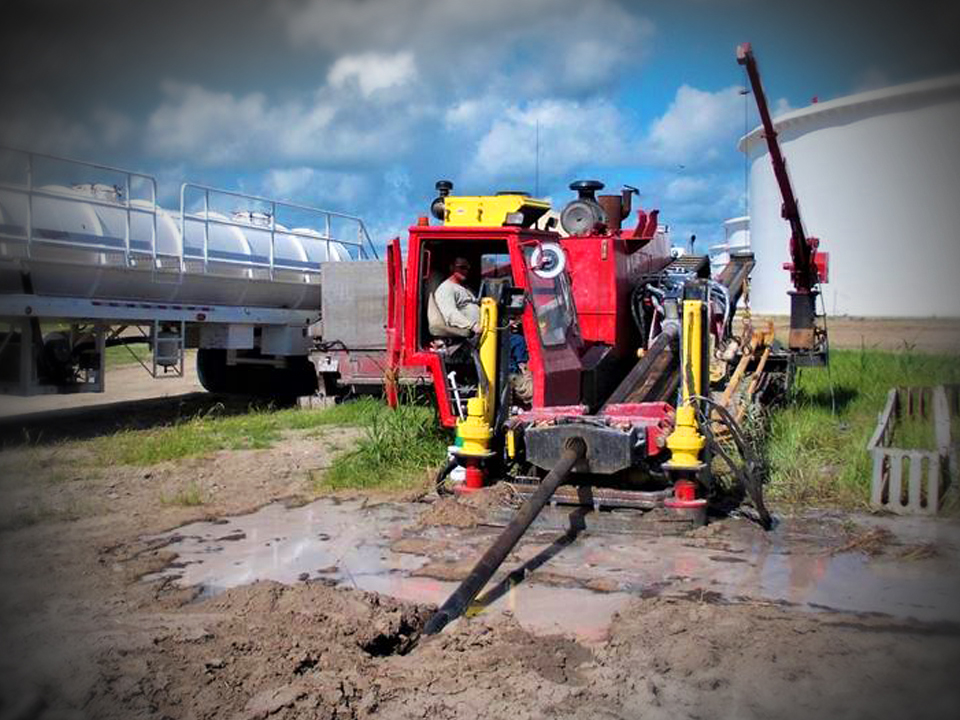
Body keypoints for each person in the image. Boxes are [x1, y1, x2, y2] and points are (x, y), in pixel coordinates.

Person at [428, 257, 481, 337]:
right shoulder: (446, 288)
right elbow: (451, 314)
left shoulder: (464, 287)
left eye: (467, 268)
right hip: (470, 336)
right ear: (452, 268)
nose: (465, 271)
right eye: (462, 267)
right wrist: (473, 326)